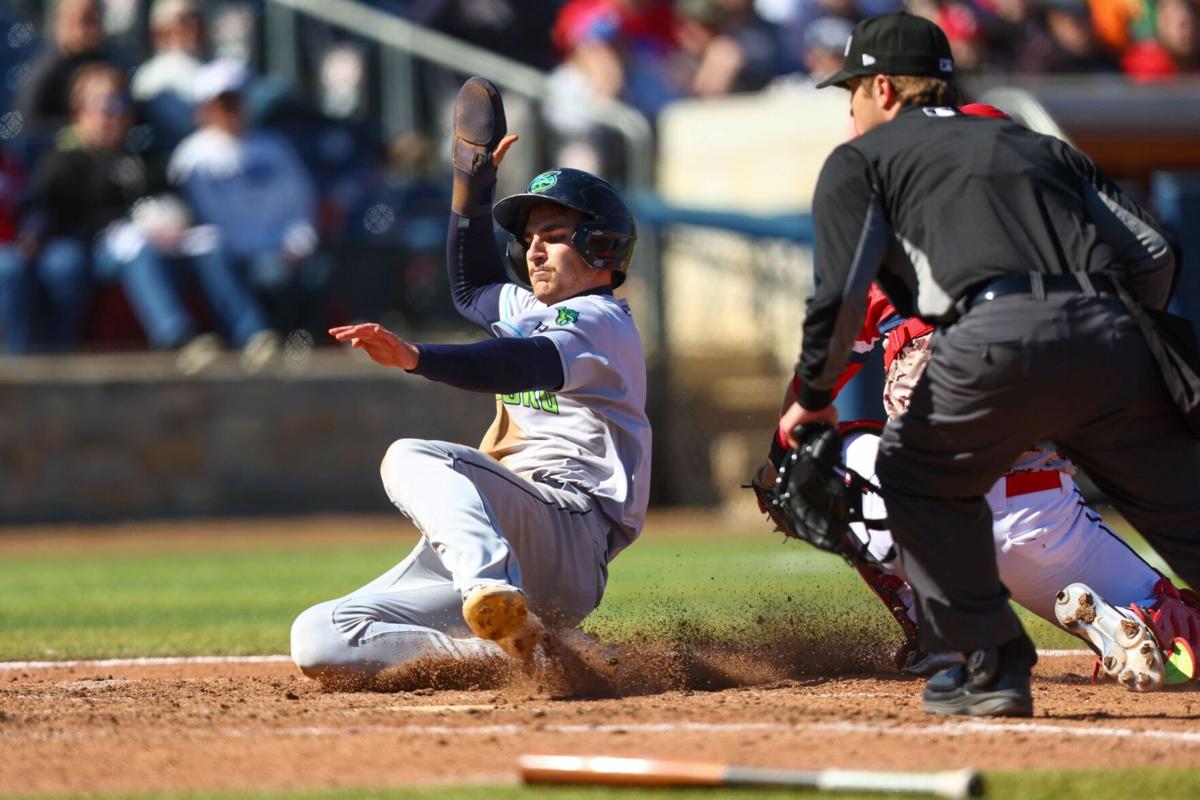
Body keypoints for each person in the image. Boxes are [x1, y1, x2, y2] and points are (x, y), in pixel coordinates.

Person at [778, 12, 1189, 718]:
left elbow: (841, 306)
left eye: (852, 92)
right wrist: (1109, 326)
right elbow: (1153, 250)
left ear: (882, 89)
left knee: (869, 468)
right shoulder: (1028, 144)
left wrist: (807, 402)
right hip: (1078, 417)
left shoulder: (870, 166)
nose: (849, 108)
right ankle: (1111, 617)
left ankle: (964, 651)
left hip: (978, 406)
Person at [289, 78, 650, 681]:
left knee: (412, 456)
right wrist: (472, 185)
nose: (534, 251)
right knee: (323, 638)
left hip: (567, 528)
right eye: (529, 239)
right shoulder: (535, 309)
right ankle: (535, 651)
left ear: (602, 246)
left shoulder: (600, 320)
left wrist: (416, 358)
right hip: (510, 526)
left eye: (555, 237)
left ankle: (489, 590)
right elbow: (471, 288)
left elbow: (522, 364)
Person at [761, 276, 1200, 689]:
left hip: (926, 520)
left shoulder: (893, 266)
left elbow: (815, 379)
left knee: (813, 461)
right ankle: (1143, 622)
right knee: (1183, 627)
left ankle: (940, 635)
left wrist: (779, 463)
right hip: (1041, 520)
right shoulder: (1055, 264)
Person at [6, 64, 274, 364]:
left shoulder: (142, 155)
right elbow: (56, 217)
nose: (114, 114)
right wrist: (128, 225)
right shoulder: (62, 162)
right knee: (138, 248)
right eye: (104, 105)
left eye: (120, 103)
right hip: (101, 249)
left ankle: (252, 335)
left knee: (209, 243)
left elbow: (170, 195)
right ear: (79, 111)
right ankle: (178, 338)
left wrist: (172, 216)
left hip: (162, 240)